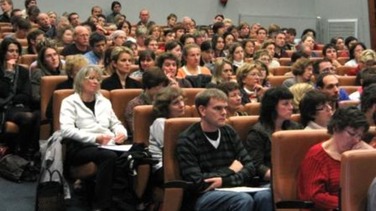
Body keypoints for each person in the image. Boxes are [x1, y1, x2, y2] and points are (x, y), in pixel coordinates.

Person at [176, 88, 273, 211]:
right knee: (242, 200)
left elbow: (250, 167)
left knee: (265, 196)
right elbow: (198, 181)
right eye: (217, 108)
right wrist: (230, 170)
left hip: (234, 189)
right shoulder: (187, 139)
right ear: (202, 110)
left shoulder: (229, 131)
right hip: (202, 196)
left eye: (225, 108)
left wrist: (223, 181)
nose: (224, 112)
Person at [60, 65, 127, 210]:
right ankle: (101, 205)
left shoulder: (104, 101)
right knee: (108, 156)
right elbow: (66, 130)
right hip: (79, 147)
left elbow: (115, 123)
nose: (95, 82)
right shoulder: (70, 102)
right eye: (91, 78)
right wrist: (94, 138)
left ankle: (122, 200)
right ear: (80, 81)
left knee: (130, 155)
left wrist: (121, 133)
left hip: (106, 143)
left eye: (98, 79)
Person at [298, 106, 372, 210]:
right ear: (336, 128)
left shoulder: (359, 154)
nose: (356, 140)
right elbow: (313, 196)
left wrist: (371, 153)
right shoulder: (316, 156)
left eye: (359, 136)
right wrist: (348, 203)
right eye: (352, 134)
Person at [245, 87, 302, 183]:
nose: (291, 107)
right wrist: (279, 178)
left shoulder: (296, 127)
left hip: (295, 176)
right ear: (272, 107)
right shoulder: (258, 132)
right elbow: (256, 165)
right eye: (285, 104)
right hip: (269, 180)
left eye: (291, 103)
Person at [0, 37, 40, 159]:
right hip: (4, 108)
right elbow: (3, 92)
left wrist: (14, 97)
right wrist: (8, 73)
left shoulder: (22, 71)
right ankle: (21, 153)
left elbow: (26, 95)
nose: (15, 54)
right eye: (11, 51)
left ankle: (27, 151)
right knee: (27, 118)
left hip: (19, 107)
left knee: (37, 115)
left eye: (17, 51)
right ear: (3, 52)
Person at [149, 86, 185, 186]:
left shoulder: (181, 121)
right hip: (162, 167)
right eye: (176, 103)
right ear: (165, 107)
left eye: (182, 101)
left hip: (179, 163)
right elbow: (172, 150)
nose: (182, 105)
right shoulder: (160, 122)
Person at [124, 67, 169, 136]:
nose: (162, 89)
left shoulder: (167, 102)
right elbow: (136, 131)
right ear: (148, 86)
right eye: (158, 86)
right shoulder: (134, 105)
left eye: (163, 86)